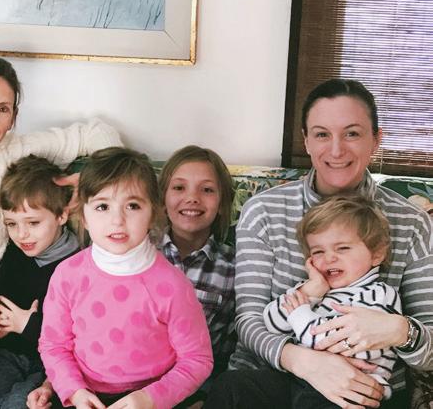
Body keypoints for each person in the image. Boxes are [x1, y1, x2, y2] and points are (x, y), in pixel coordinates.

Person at [205, 79, 432, 409]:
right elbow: (249, 322)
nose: (336, 150)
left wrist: (401, 330)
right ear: (307, 141)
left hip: (363, 388)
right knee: (231, 390)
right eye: (322, 134)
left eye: (352, 133)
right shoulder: (264, 211)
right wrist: (304, 362)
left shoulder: (411, 222)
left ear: (376, 140)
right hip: (269, 375)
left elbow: (429, 348)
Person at [0, 56, 121, 408]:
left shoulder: (10, 153)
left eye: (2, 109)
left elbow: (98, 133)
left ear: (13, 117)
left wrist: (95, 179)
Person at [38, 147, 213, 409]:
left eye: (132, 206)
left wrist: (150, 399)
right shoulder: (67, 275)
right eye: (102, 206)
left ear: (153, 213)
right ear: (83, 216)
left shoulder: (173, 285)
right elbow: (53, 346)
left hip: (152, 397)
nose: (117, 220)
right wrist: (74, 392)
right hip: (85, 395)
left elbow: (197, 359)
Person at [263, 194, 401, 407]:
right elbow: (271, 323)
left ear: (376, 254)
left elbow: (340, 344)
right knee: (235, 384)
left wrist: (300, 315)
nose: (329, 258)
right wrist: (311, 291)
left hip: (353, 388)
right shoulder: (314, 290)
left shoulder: (379, 295)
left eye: (342, 248)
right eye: (318, 251)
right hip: (301, 377)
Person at [0, 155, 80, 409]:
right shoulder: (13, 255)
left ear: (62, 215)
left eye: (33, 223)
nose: (22, 234)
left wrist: (29, 325)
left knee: (16, 404)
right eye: (11, 224)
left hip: (51, 366)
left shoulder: (79, 266)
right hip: (8, 356)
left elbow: (79, 338)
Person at [158, 145, 236, 379]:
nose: (192, 198)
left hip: (193, 386)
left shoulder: (234, 269)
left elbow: (228, 349)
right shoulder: (138, 252)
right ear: (162, 198)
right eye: (179, 187)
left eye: (207, 190)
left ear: (222, 204)